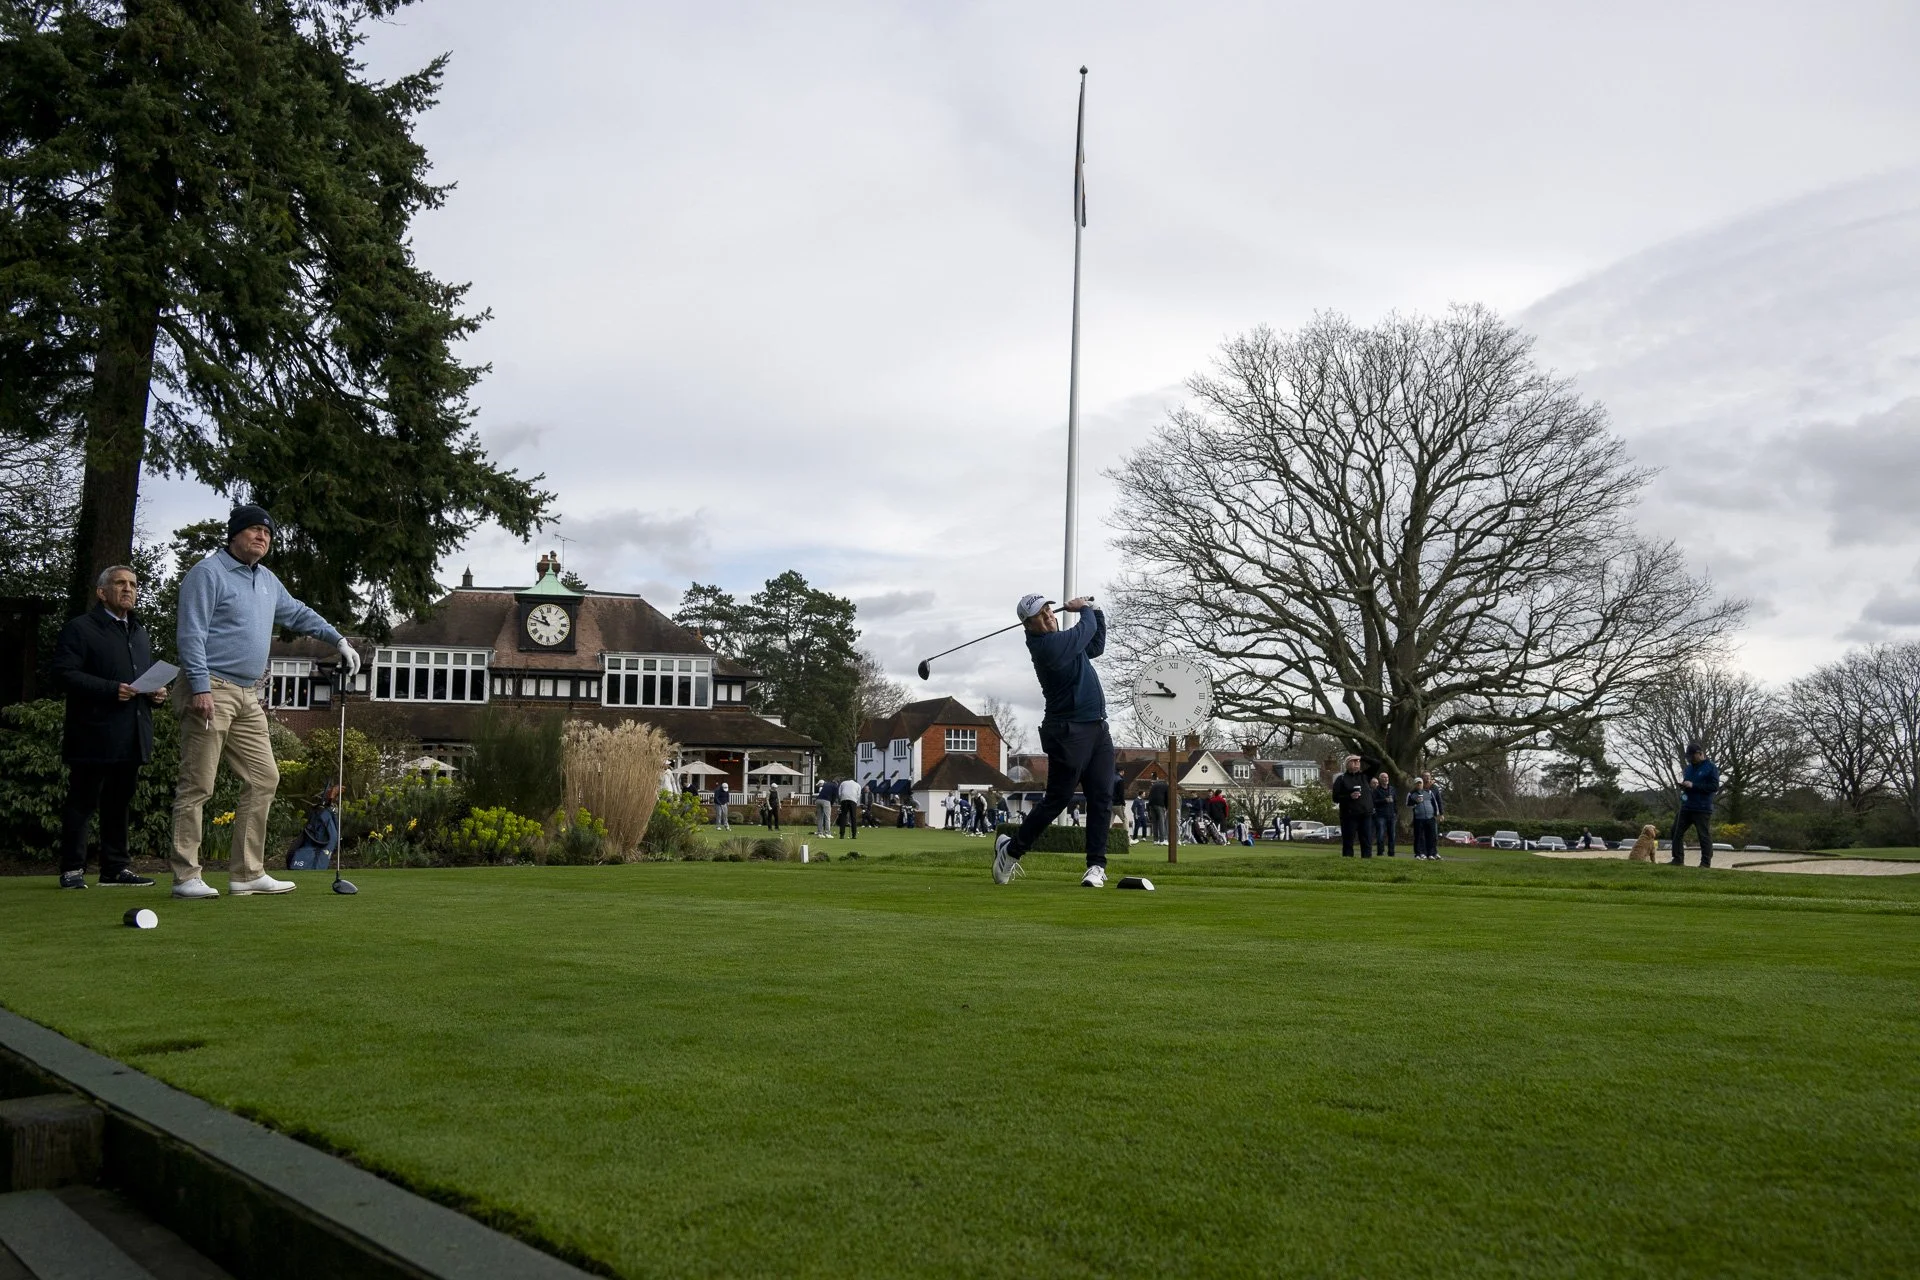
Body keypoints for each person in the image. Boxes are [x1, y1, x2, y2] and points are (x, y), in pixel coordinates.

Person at [171, 506, 359, 899]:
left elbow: (298, 613)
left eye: (268, 533)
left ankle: (246, 873)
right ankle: (186, 876)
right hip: (211, 688)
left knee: (264, 778)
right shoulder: (208, 574)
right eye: (255, 530)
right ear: (234, 535)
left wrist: (337, 639)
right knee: (198, 784)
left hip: (247, 693)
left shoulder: (268, 581)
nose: (262, 537)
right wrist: (201, 687)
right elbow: (191, 635)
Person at [51, 565, 169, 889]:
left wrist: (156, 694)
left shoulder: (140, 632)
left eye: (132, 584)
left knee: (119, 803)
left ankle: (115, 868)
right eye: (120, 583)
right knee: (82, 801)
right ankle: (72, 869)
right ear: (102, 592)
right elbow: (64, 674)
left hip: (131, 735)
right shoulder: (80, 629)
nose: (128, 589)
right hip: (92, 732)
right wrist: (110, 688)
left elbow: (139, 679)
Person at [993, 596, 1112, 888]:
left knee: (1102, 796)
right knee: (1057, 799)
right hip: (1068, 731)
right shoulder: (1046, 647)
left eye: (1048, 610)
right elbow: (1084, 631)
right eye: (1040, 615)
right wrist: (1084, 609)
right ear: (1028, 625)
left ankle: (1096, 866)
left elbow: (1095, 645)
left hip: (1096, 727)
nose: (1048, 616)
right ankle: (1011, 851)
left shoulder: (1064, 641)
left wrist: (1097, 612)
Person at [1672, 741, 1720, 867]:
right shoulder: (1688, 768)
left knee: (1703, 836)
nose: (1690, 760)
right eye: (1688, 757)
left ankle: (1705, 863)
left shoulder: (1711, 768)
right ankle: (1677, 859)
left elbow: (1714, 786)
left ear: (1700, 753)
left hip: (1702, 808)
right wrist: (1684, 786)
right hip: (1686, 806)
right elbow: (1689, 784)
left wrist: (1693, 785)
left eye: (1692, 757)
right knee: (1675, 832)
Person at [1331, 755, 1373, 858]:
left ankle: (1367, 862)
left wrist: (1362, 757)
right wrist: (1349, 796)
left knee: (1366, 840)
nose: (1356, 763)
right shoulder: (1341, 779)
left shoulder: (1364, 776)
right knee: (1348, 841)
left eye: (1358, 761)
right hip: (1349, 815)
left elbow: (1377, 764)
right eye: (1353, 761)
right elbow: (1335, 798)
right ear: (1347, 764)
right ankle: (1348, 861)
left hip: (1365, 814)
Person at [1406, 771, 1443, 860]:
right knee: (1419, 837)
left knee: (1432, 836)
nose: (1419, 785)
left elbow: (1435, 803)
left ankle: (1431, 854)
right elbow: (1408, 804)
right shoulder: (1411, 794)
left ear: (1422, 784)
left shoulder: (1429, 792)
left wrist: (1438, 814)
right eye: (1417, 783)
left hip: (1430, 817)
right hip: (1419, 818)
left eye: (1420, 783)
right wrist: (1415, 802)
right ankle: (1419, 853)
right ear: (1415, 785)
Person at [1371, 772, 1397, 857]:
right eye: (1384, 777)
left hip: (1391, 815)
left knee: (1392, 835)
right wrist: (1384, 800)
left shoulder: (1392, 789)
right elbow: (1374, 802)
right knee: (1380, 835)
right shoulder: (1376, 790)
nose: (1386, 779)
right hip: (1381, 815)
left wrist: (1395, 812)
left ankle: (1391, 853)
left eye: (1387, 777)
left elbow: (1395, 801)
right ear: (1380, 779)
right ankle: (1380, 852)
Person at [837, 775, 860, 840]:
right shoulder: (857, 785)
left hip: (844, 799)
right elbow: (858, 795)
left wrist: (842, 799)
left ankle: (842, 835)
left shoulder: (843, 783)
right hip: (853, 800)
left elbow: (839, 793)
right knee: (853, 817)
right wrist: (855, 801)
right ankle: (854, 835)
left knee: (843, 816)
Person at [1147, 777, 1169, 844]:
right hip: (1159, 804)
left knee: (1154, 822)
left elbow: (1149, 795)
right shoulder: (1166, 786)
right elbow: (1167, 797)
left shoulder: (1154, 785)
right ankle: (1162, 840)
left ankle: (1155, 840)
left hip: (1151, 804)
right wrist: (1166, 807)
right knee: (1161, 822)